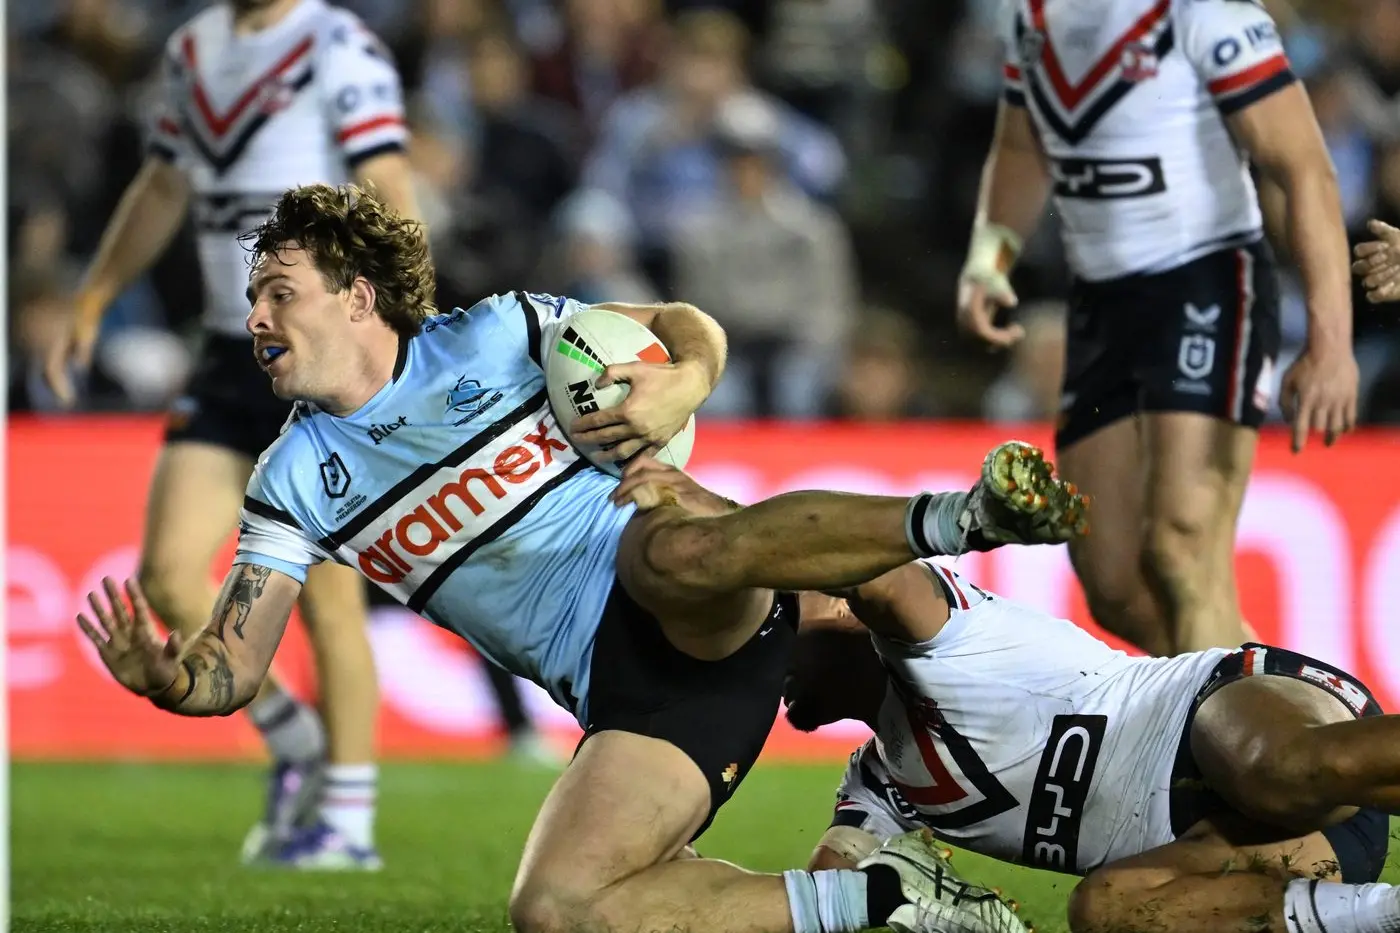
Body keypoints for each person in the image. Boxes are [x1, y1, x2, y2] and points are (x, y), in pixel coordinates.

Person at [75, 181, 1091, 933]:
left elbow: (685, 329)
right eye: (253, 298)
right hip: (629, 690)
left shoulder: (497, 334)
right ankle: (885, 902)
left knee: (668, 556)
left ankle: (965, 518)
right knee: (557, 910)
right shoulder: (291, 478)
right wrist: (172, 676)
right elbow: (232, 669)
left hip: (687, 574)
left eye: (278, 292)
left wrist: (683, 379)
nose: (254, 318)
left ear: (356, 297)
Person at [43, 0, 420, 869]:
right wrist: (97, 292)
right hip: (227, 346)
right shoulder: (191, 48)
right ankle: (296, 749)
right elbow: (165, 184)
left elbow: (389, 186)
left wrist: (403, 322)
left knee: (325, 599)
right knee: (169, 577)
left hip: (318, 356)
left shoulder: (337, 43)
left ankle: (348, 823)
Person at [957, 0, 1360, 656]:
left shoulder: (1208, 15)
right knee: (1112, 578)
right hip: (1101, 301)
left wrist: (1331, 341)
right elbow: (1021, 143)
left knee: (1182, 541)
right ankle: (1283, 714)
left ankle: (1226, 749)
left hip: (1206, 282)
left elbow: (1303, 166)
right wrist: (988, 258)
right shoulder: (1031, 17)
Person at [785, 569, 1396, 933]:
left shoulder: (938, 635)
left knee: (1280, 769)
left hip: (1218, 712)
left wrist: (741, 558)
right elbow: (821, 893)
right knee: (1107, 909)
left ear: (841, 604)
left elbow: (879, 573)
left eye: (778, 619)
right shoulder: (877, 783)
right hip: (1294, 844)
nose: (760, 658)